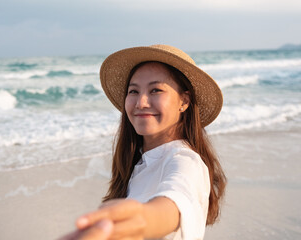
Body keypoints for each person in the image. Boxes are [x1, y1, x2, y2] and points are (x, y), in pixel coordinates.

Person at [59, 44, 226, 240]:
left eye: (155, 90)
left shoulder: (184, 161)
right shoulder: (141, 161)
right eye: (133, 91)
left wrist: (141, 219)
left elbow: (174, 203)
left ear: (184, 101)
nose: (141, 103)